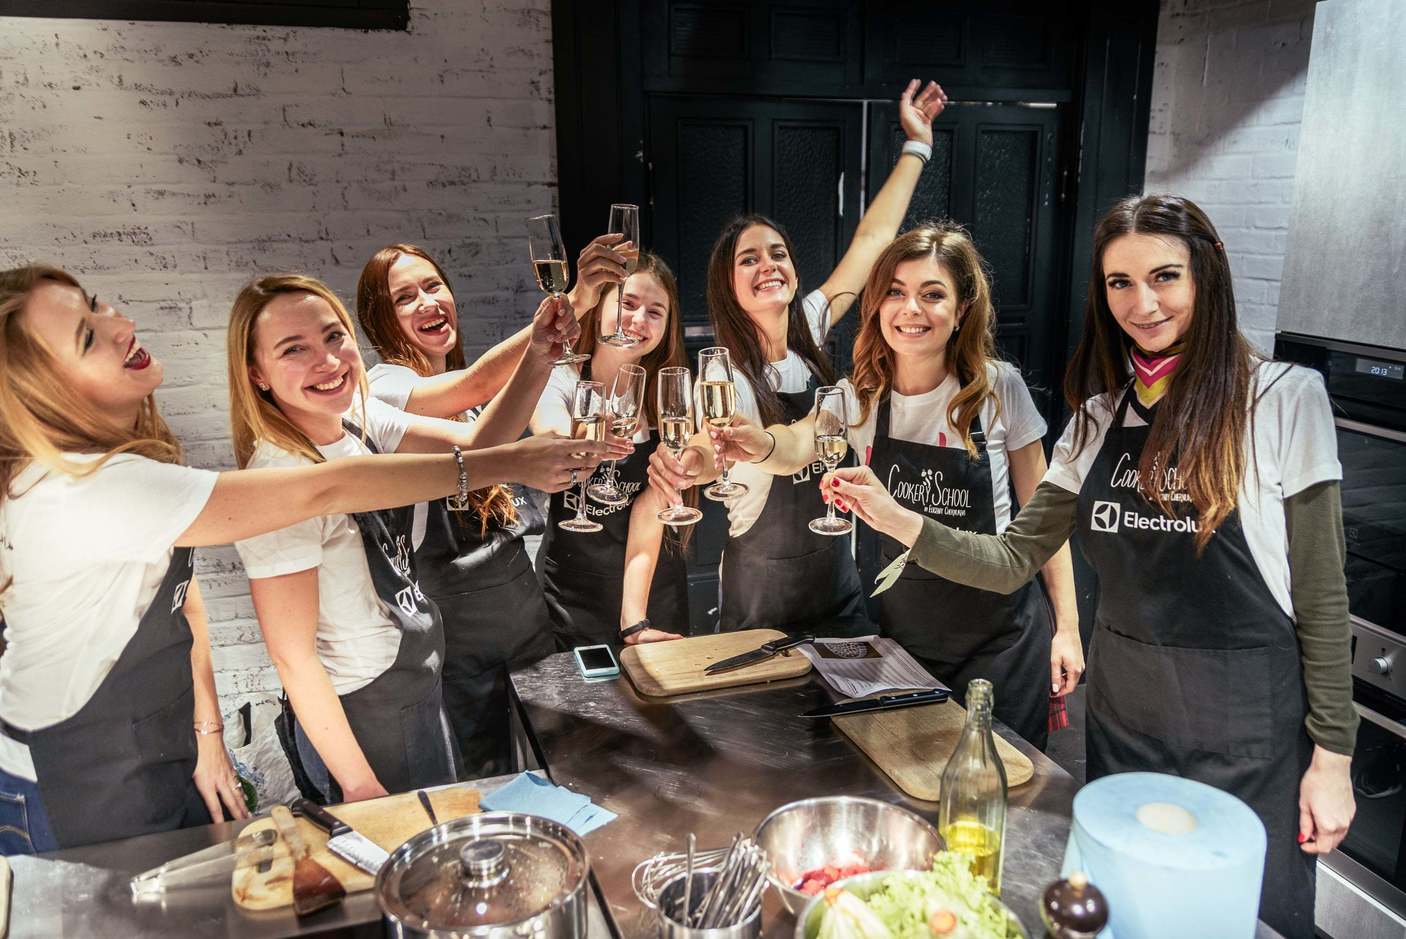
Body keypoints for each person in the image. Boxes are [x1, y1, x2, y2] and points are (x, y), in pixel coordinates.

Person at [822, 195, 1356, 938]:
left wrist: (1334, 756)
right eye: (1119, 283)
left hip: (1249, 735)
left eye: (1164, 276)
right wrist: (900, 519)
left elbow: (1324, 599)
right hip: (1125, 723)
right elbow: (1012, 558)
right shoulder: (1098, 419)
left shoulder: (1282, 400)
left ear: (1207, 273)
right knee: (1122, 915)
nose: (1143, 303)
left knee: (1242, 921)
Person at [0, 265, 606, 853]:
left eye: (98, 304)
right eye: (86, 336)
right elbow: (326, 499)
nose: (120, 323)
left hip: (164, 741)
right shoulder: (85, 489)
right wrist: (511, 463)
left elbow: (185, 600)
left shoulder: (349, 419)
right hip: (72, 769)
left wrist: (207, 733)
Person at [227, 274, 628, 803]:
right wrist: (359, 784)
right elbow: (293, 659)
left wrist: (537, 356)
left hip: (417, 678)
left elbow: (476, 442)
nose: (326, 360)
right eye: (293, 349)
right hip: (364, 708)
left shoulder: (356, 417)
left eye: (333, 336)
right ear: (256, 373)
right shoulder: (277, 477)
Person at [708, 225, 1081, 747]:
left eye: (932, 294)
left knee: (998, 785)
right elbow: (795, 444)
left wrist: (1068, 627)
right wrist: (760, 443)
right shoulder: (861, 396)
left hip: (1002, 644)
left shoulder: (999, 388)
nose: (911, 309)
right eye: (896, 292)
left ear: (962, 308)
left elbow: (1046, 527)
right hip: (905, 645)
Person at [648, 79, 948, 634]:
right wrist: (687, 464)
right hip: (760, 592)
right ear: (728, 286)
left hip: (837, 577)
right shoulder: (724, 376)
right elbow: (709, 451)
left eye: (778, 253)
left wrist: (917, 146)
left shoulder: (810, 324)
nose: (768, 264)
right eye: (748, 259)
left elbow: (872, 242)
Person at [356, 242, 612, 776]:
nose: (428, 302)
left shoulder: (468, 401)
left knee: (561, 763)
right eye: (405, 297)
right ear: (381, 319)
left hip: (522, 612)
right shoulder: (386, 385)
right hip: (460, 629)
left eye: (433, 286)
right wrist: (573, 304)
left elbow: (491, 420)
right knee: (487, 778)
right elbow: (478, 413)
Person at [531, 251, 693, 650]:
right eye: (628, 303)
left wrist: (633, 618)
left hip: (652, 587)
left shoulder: (668, 399)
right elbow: (551, 438)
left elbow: (651, 506)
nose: (639, 320)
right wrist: (587, 433)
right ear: (600, 307)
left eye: (655, 312)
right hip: (571, 590)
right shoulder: (560, 377)